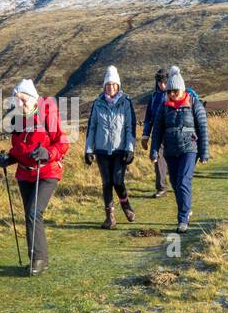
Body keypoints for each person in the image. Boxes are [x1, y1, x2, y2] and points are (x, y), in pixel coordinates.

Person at [0, 79, 68, 276]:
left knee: (33, 212)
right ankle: (36, 259)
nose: (19, 104)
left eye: (22, 99)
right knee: (30, 215)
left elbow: (62, 143)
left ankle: (38, 259)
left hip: (47, 172)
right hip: (24, 173)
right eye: (16, 100)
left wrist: (47, 153)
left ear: (33, 98)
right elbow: (19, 149)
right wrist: (9, 158)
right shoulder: (17, 119)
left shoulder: (48, 114)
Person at [149, 67, 209, 232]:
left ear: (181, 90)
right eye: (169, 92)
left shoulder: (194, 104)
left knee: (183, 180)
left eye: (174, 91)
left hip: (189, 148)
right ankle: (186, 208)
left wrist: (204, 152)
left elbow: (202, 129)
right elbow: (157, 131)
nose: (171, 95)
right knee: (175, 183)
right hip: (170, 150)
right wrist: (154, 151)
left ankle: (182, 219)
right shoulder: (164, 106)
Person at [84, 65, 137, 228]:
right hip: (101, 150)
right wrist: (88, 149)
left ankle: (126, 205)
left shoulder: (126, 103)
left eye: (114, 84)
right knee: (107, 183)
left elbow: (130, 127)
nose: (111, 87)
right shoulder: (97, 103)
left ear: (118, 85)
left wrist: (130, 148)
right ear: (104, 86)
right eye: (108, 84)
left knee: (118, 182)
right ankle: (110, 217)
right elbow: (92, 127)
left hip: (120, 150)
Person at [141, 68, 170, 198]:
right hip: (157, 134)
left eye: (164, 82)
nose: (162, 85)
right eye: (159, 82)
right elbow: (148, 118)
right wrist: (145, 135)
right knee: (157, 159)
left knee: (174, 160)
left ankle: (178, 183)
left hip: (172, 133)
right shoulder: (154, 97)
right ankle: (161, 188)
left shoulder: (174, 93)